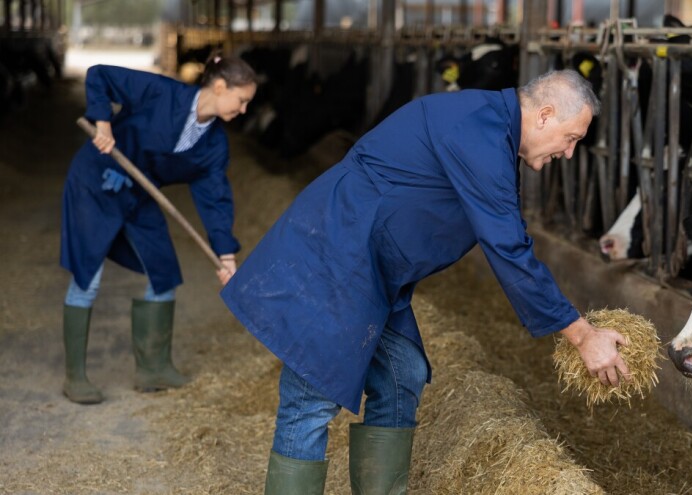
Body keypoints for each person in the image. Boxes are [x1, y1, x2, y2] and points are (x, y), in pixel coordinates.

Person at [220, 69, 630, 493]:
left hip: (374, 272)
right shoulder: (479, 131)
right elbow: (508, 247)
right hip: (340, 257)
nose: (568, 153)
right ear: (545, 115)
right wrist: (581, 334)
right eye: (572, 138)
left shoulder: (491, 130)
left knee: (403, 373)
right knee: (311, 398)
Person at [59, 54, 257, 405]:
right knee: (87, 271)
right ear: (220, 86)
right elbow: (99, 75)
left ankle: (153, 368)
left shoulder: (214, 144)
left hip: (139, 192)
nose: (243, 111)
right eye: (241, 101)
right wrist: (103, 125)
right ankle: (75, 376)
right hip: (95, 182)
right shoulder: (161, 92)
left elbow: (215, 199)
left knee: (163, 270)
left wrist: (226, 256)